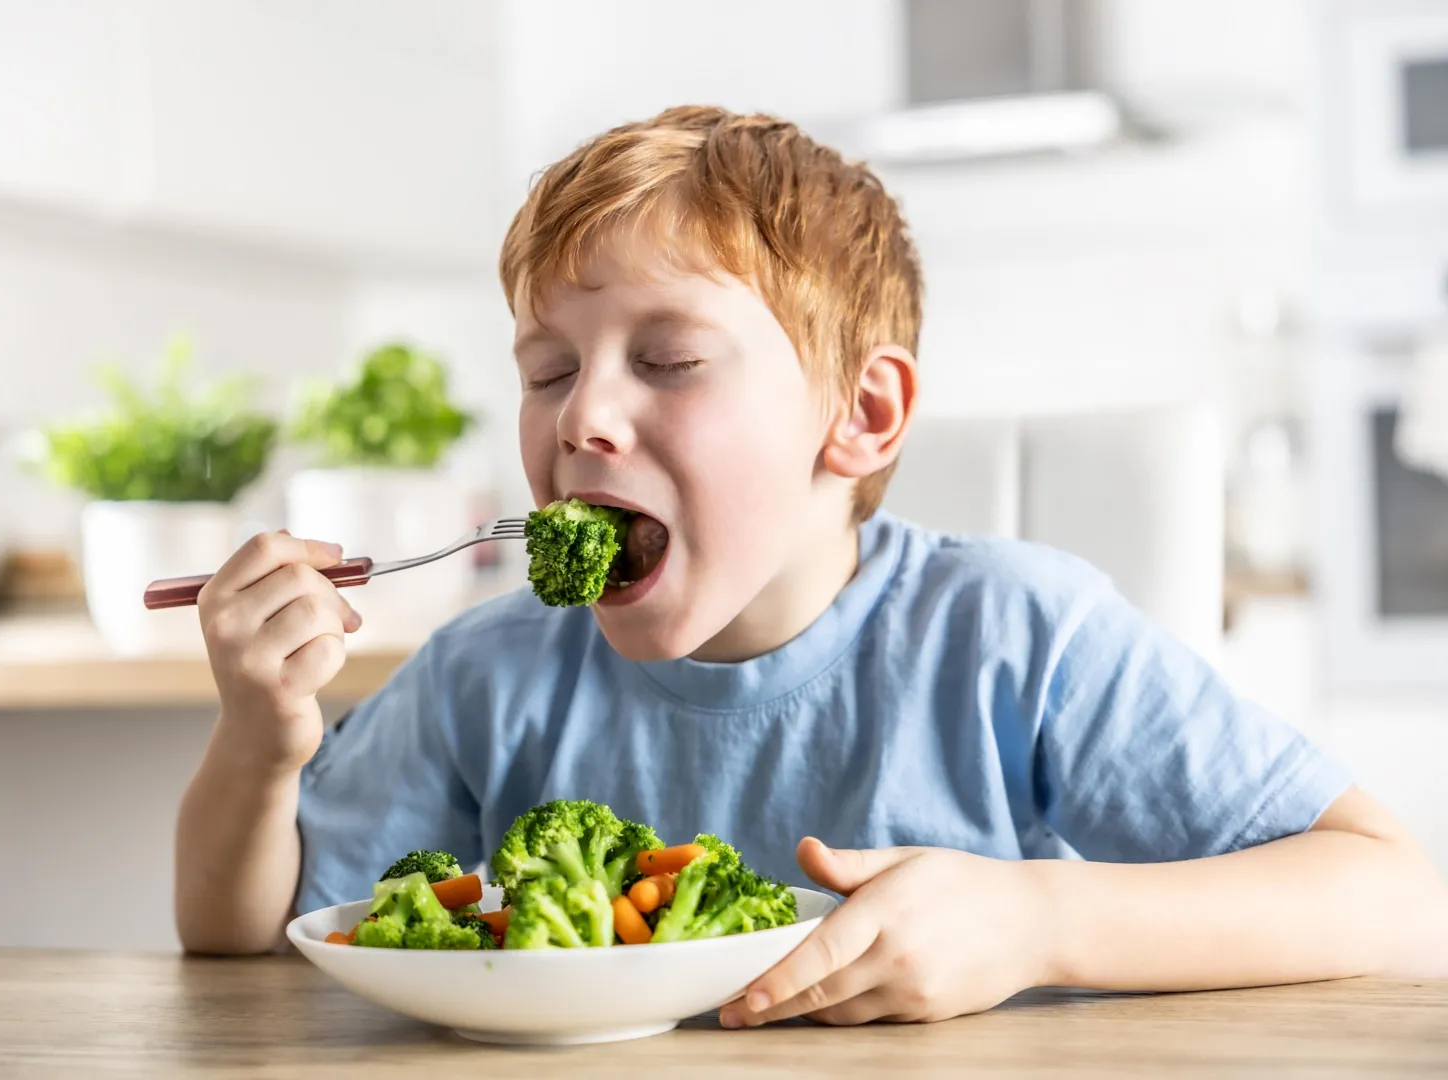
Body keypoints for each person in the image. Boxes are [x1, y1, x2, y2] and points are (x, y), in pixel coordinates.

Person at [175, 105, 1447, 1025]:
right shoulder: (485, 671)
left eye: (667, 358)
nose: (580, 420)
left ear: (863, 417)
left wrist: (1038, 921)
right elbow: (242, 946)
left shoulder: (1013, 637)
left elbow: (1401, 904)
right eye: (549, 369)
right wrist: (261, 741)